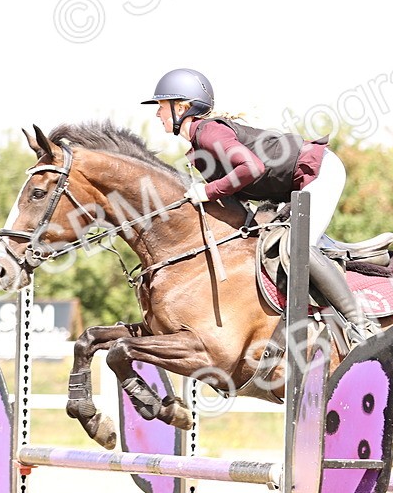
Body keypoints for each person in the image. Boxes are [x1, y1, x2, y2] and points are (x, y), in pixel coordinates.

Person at [142, 67, 375, 345]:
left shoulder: (208, 132)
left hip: (319, 172)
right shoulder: (198, 148)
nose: (157, 113)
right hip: (293, 189)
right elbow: (236, 198)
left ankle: (362, 324)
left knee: (296, 248)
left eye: (161, 106)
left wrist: (207, 191)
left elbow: (252, 167)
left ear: (182, 107)